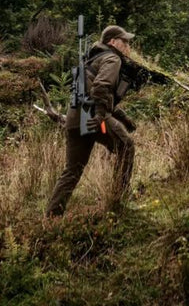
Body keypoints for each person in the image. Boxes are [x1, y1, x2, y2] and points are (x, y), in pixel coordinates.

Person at [45, 24, 139, 217]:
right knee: (126, 146)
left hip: (75, 119)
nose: (128, 46)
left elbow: (93, 91)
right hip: (93, 118)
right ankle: (120, 198)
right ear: (113, 42)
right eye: (125, 42)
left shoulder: (91, 60)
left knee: (72, 170)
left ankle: (52, 215)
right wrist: (101, 116)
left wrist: (123, 118)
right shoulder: (112, 58)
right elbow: (101, 87)